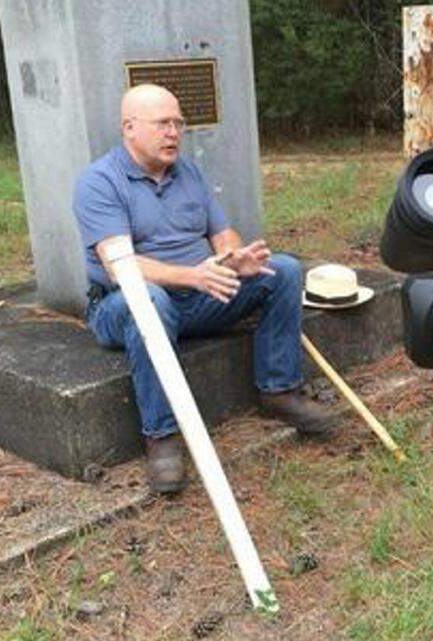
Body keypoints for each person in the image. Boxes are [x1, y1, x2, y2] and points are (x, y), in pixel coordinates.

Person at [73, 84, 335, 493]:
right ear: (129, 128)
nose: (174, 133)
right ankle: (162, 437)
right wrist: (194, 275)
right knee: (151, 299)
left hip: (197, 296)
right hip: (122, 307)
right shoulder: (99, 182)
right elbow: (121, 267)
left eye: (179, 123)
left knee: (281, 270)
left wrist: (233, 259)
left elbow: (222, 234)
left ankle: (280, 391)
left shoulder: (188, 172)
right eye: (163, 124)